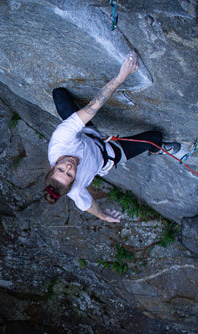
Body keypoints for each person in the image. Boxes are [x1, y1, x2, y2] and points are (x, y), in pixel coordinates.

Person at [44, 51, 180, 223]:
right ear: (73, 182)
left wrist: (121, 77)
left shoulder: (60, 142)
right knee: (154, 138)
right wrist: (103, 216)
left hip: (86, 134)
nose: (69, 167)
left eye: (61, 169)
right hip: (108, 153)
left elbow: (93, 107)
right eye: (70, 175)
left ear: (53, 165)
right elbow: (87, 205)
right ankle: (155, 150)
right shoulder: (75, 190)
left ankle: (74, 124)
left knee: (59, 94)